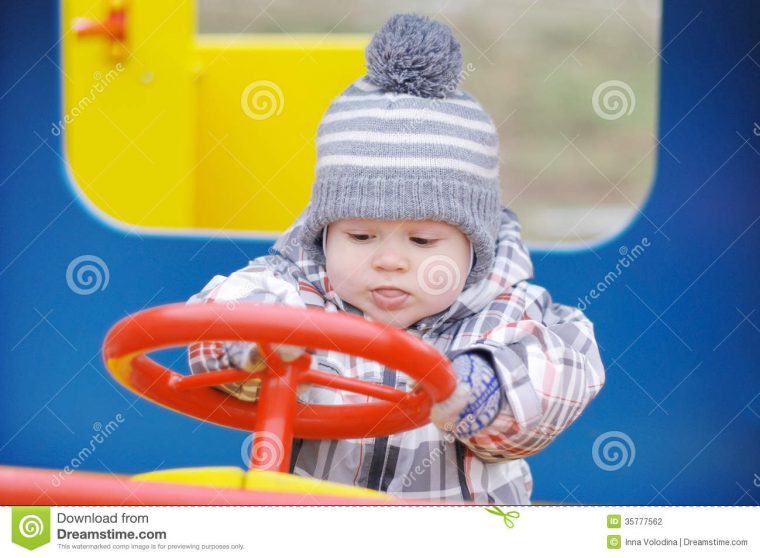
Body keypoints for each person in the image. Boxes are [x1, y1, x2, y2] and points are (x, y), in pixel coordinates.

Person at [187, 13, 605, 503]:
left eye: (423, 242)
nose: (389, 261)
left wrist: (492, 386)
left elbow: (565, 368)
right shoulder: (299, 294)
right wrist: (252, 338)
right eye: (361, 236)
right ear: (325, 234)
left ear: (474, 245)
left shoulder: (502, 313)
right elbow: (221, 313)